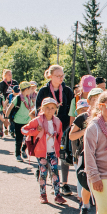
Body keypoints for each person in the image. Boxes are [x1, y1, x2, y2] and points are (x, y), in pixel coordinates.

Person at [36, 65, 75, 196]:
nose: (61, 78)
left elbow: (72, 110)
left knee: (63, 155)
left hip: (63, 128)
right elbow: (37, 109)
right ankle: (51, 181)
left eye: (62, 75)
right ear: (50, 76)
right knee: (49, 156)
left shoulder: (67, 91)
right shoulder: (44, 91)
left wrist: (71, 127)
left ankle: (64, 183)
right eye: (58, 76)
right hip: (47, 129)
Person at [21, 98, 67, 205]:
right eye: (47, 108)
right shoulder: (37, 121)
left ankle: (57, 195)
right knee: (43, 173)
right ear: (42, 108)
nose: (49, 110)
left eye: (52, 108)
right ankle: (43, 194)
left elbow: (60, 136)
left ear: (56, 109)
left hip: (53, 151)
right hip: (41, 152)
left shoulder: (57, 122)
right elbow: (24, 130)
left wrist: (58, 149)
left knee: (55, 172)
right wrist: (36, 131)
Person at [69, 88, 103, 214]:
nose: (97, 102)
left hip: (102, 155)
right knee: (87, 185)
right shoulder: (82, 118)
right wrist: (86, 131)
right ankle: (85, 206)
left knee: (102, 186)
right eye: (94, 99)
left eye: (100, 99)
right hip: (86, 154)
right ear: (88, 101)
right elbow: (72, 135)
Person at [7, 81, 36, 162]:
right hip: (18, 121)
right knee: (19, 139)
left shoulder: (28, 98)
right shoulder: (18, 98)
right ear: (26, 89)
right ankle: (17, 154)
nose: (32, 89)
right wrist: (6, 118)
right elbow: (9, 108)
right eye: (30, 88)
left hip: (28, 121)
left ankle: (23, 149)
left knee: (29, 138)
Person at [0, 69, 18, 138]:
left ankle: (12, 130)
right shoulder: (2, 84)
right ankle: (6, 127)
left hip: (14, 100)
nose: (10, 76)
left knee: (12, 115)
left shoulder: (15, 82)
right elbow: (0, 93)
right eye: (9, 74)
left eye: (11, 74)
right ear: (5, 75)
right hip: (6, 100)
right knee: (6, 114)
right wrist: (4, 104)